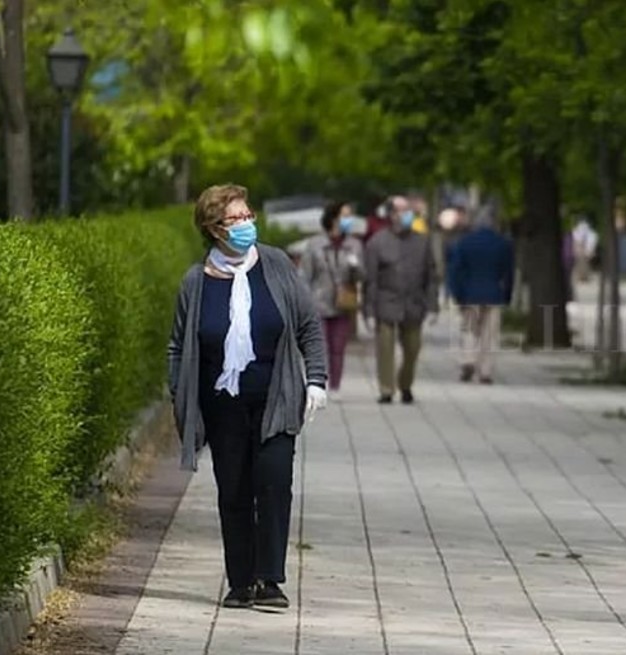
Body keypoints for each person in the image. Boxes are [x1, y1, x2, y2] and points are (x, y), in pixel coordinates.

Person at [168, 184, 328, 609]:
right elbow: (179, 345)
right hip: (221, 403)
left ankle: (269, 579)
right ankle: (240, 581)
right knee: (234, 489)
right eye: (233, 220)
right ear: (212, 229)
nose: (245, 225)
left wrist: (316, 380)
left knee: (274, 481)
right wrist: (179, 394)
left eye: (247, 216)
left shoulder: (274, 264)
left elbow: (309, 325)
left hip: (275, 396)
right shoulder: (195, 282)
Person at [364, 194, 439, 404]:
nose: (407, 215)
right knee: (385, 348)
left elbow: (431, 276)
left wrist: (433, 306)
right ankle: (386, 389)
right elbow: (370, 280)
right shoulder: (377, 242)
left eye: (408, 210)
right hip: (385, 302)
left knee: (412, 348)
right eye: (401, 210)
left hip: (413, 303)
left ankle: (405, 384)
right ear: (391, 214)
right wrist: (369, 311)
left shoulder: (422, 242)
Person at [299, 202, 363, 397]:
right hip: (318, 302)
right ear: (333, 218)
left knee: (338, 346)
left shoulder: (354, 245)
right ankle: (319, 382)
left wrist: (355, 267)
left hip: (343, 302)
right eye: (344, 215)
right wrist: (304, 302)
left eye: (350, 215)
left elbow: (362, 276)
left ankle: (336, 385)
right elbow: (305, 275)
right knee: (320, 345)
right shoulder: (315, 244)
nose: (348, 220)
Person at [448, 206, 515, 384]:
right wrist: (507, 295)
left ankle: (468, 360)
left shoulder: (465, 242)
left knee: (470, 330)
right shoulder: (502, 243)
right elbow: (508, 273)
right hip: (493, 294)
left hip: (470, 295)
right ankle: (486, 371)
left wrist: (456, 294)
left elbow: (455, 271)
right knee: (490, 334)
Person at [571, 218, 598, 282]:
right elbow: (576, 243)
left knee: (583, 258)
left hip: (587, 251)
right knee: (581, 257)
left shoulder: (592, 235)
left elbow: (592, 246)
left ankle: (583, 276)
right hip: (580, 251)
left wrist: (587, 251)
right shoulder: (576, 232)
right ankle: (583, 276)